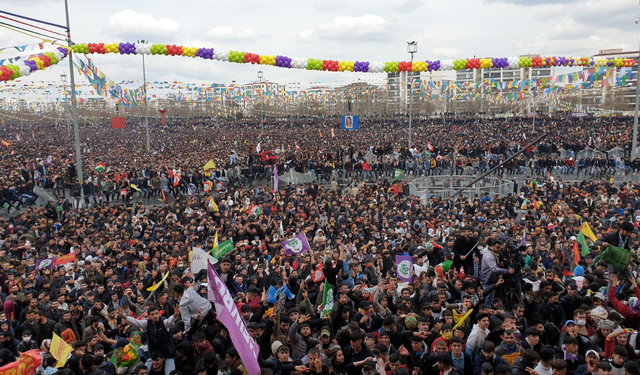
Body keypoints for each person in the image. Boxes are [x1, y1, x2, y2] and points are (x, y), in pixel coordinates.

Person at [119, 306, 179, 375]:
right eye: (152, 314)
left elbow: (170, 321)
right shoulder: (147, 323)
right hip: (153, 355)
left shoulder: (164, 323)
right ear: (149, 316)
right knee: (142, 371)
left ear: (159, 314)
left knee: (170, 373)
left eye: (156, 313)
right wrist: (123, 316)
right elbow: (135, 322)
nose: (155, 316)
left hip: (168, 354)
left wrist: (175, 315)